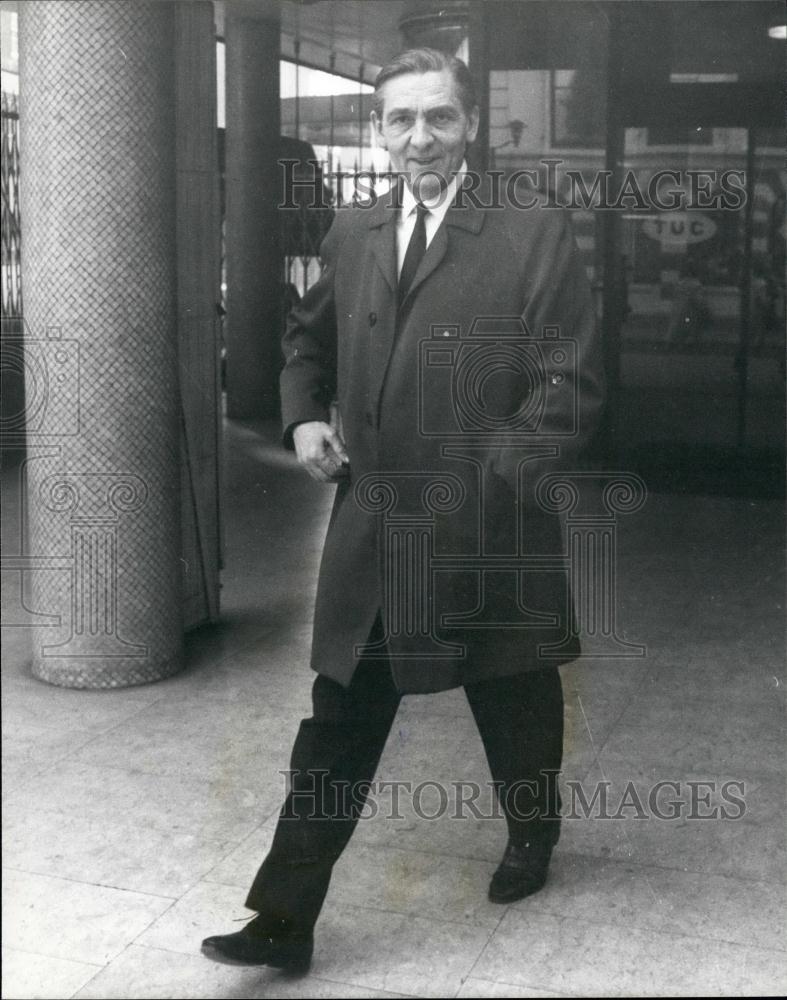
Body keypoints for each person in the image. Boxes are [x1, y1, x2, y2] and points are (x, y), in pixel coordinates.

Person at [203, 47, 604, 972]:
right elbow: (305, 344)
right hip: (377, 533)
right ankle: (283, 919)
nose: (419, 137)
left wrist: (490, 478)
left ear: (468, 126)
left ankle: (530, 834)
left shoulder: (529, 228)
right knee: (337, 721)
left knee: (514, 701)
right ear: (378, 131)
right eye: (400, 120)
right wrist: (303, 419)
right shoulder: (354, 229)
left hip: (489, 529)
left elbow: (570, 382)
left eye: (438, 118)